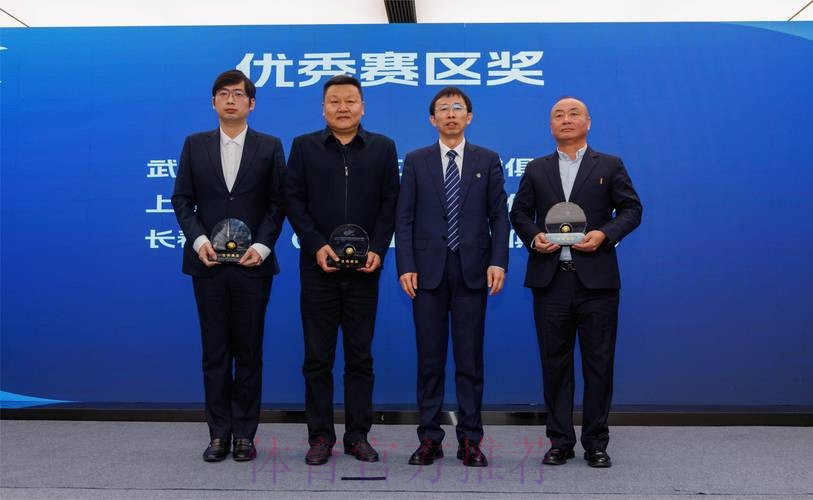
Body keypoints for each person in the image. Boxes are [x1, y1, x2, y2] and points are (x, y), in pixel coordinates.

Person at [509, 97, 642, 468]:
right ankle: (560, 441)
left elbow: (632, 209)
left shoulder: (610, 165)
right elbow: (519, 213)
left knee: (599, 364)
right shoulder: (537, 168)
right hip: (551, 281)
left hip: (597, 283)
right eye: (558, 115)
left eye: (573, 114)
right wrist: (534, 236)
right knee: (555, 365)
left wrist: (605, 234)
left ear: (588, 122)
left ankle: (596, 442)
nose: (565, 119)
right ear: (551, 125)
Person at [285, 74, 400, 466]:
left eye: (350, 100)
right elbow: (293, 200)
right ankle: (320, 437)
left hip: (365, 271)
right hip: (318, 269)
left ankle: (357, 436)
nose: (343, 107)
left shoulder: (383, 148)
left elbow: (390, 204)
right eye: (334, 101)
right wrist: (316, 244)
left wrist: (378, 249)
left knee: (359, 358)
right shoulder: (304, 147)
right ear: (323, 108)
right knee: (317, 358)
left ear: (362, 107)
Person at [172, 69, 286, 462]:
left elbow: (278, 203)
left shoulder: (270, 146)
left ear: (251, 103)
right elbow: (182, 200)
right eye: (223, 94)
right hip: (207, 264)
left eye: (238, 94)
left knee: (249, 352)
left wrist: (263, 246)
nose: (231, 100)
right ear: (213, 103)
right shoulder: (195, 144)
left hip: (253, 266)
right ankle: (218, 433)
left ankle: (245, 435)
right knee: (215, 352)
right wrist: (200, 241)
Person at [395, 87, 509, 467]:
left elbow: (499, 216)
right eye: (442, 109)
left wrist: (498, 261)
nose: (450, 114)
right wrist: (406, 265)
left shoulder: (487, 160)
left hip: (472, 273)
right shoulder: (416, 160)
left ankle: (470, 440)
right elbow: (404, 218)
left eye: (457, 108)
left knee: (469, 362)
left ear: (469, 117)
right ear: (432, 119)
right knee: (429, 361)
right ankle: (429, 438)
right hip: (426, 275)